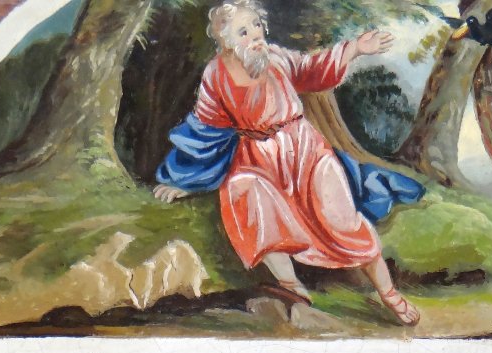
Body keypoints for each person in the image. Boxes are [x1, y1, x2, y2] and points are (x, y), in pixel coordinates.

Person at [154, 2, 424, 325]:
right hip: (257, 158)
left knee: (342, 218)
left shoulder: (277, 57)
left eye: (256, 25)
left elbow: (311, 69)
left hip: (305, 151)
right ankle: (292, 286)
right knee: (247, 197)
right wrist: (184, 182)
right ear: (226, 40)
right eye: (244, 31)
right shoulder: (216, 76)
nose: (255, 34)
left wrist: (354, 49)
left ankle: (390, 293)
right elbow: (205, 130)